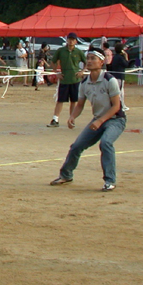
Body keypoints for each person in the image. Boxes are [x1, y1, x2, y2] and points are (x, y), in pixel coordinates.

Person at [50, 48, 126, 192]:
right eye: (88, 58)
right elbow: (80, 104)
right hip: (97, 120)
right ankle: (66, 175)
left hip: (115, 120)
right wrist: (72, 116)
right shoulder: (85, 82)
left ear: (101, 62)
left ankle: (110, 181)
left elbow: (116, 106)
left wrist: (100, 121)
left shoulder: (110, 80)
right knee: (76, 146)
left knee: (106, 143)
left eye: (93, 58)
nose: (89, 61)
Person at [47, 33, 87, 127]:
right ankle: (55, 119)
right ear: (67, 40)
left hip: (75, 80)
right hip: (64, 80)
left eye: (73, 39)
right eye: (69, 39)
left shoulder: (78, 52)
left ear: (76, 41)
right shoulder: (61, 51)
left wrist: (82, 72)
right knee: (60, 100)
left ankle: (71, 119)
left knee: (74, 101)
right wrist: (57, 72)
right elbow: (53, 62)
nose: (71, 41)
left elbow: (86, 62)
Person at [109, 43, 129, 111]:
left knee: (119, 91)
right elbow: (126, 64)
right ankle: (121, 106)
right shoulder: (120, 58)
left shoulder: (115, 57)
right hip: (119, 76)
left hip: (115, 76)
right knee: (119, 92)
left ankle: (120, 105)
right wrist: (126, 56)